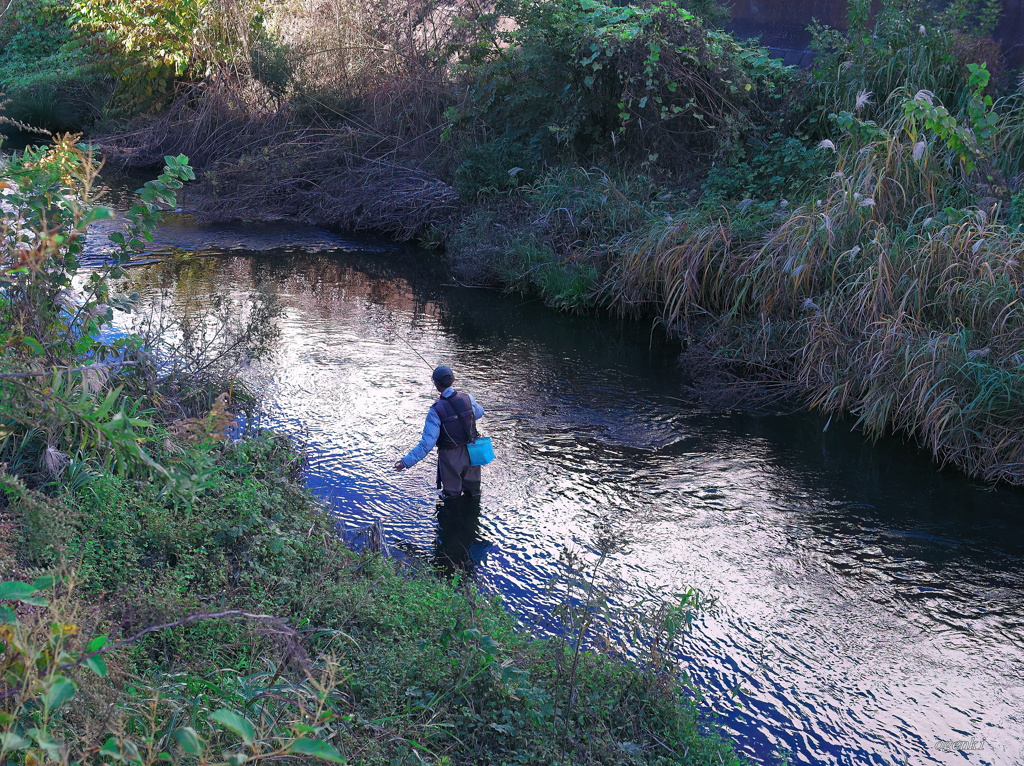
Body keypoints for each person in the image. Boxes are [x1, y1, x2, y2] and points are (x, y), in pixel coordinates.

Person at [394, 365, 485, 499]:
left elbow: (427, 444)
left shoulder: (435, 411)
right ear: (453, 379)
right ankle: (473, 517)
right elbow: (479, 413)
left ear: (436, 384)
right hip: (473, 451)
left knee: (452, 496)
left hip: (451, 456)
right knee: (474, 493)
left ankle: (452, 518)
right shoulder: (468, 398)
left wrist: (406, 462)